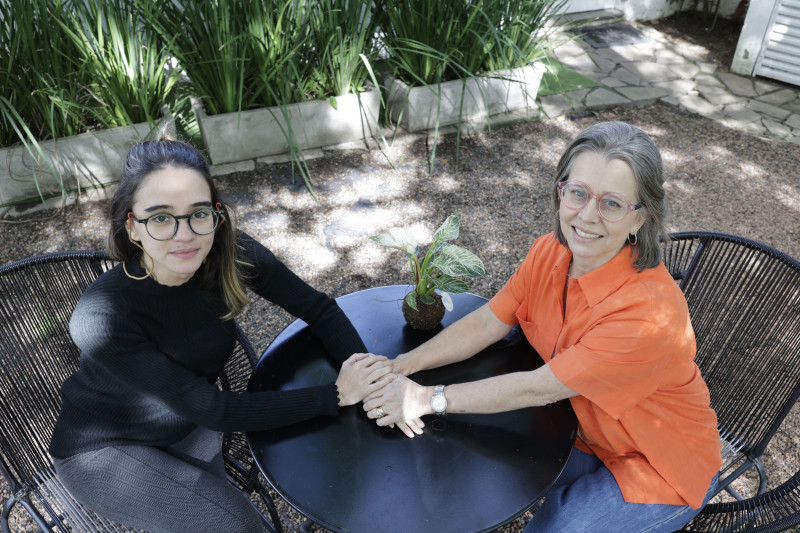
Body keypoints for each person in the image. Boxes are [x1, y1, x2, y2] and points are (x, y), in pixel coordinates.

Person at [361, 121, 723, 532]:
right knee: (461, 448)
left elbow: (537, 387)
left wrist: (425, 398)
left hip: (659, 463)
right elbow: (487, 321)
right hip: (579, 431)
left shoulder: (647, 315)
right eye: (578, 193)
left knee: (557, 526)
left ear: (641, 218)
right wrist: (402, 366)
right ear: (561, 190)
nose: (586, 216)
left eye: (612, 203)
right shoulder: (549, 252)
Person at [48, 134, 392, 533]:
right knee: (240, 526)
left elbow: (318, 309)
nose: (184, 234)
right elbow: (213, 408)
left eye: (198, 213)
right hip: (107, 452)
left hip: (188, 424)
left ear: (216, 214)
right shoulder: (101, 317)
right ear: (132, 227)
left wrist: (372, 375)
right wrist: (336, 395)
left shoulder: (232, 253)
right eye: (160, 217)